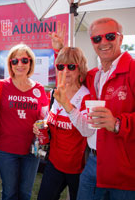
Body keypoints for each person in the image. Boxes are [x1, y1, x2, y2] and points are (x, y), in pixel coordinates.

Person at [72, 18, 135, 200]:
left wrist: (118, 123)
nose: (103, 42)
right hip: (95, 163)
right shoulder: (94, 75)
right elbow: (69, 71)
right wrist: (58, 49)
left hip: (130, 172)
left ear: (121, 38)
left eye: (109, 36)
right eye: (97, 39)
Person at [35, 47, 94, 200]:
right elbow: (51, 119)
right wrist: (42, 125)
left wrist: (67, 105)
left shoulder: (86, 96)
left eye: (71, 66)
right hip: (54, 163)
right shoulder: (56, 92)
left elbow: (87, 131)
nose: (66, 71)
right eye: (61, 66)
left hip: (77, 168)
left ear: (80, 68)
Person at [0, 44, 49, 200]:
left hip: (32, 150)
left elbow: (45, 117)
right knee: (10, 193)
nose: (20, 65)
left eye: (24, 60)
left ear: (31, 63)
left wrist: (42, 125)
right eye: (15, 61)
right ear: (10, 64)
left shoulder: (39, 89)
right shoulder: (1, 86)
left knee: (25, 193)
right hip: (6, 150)